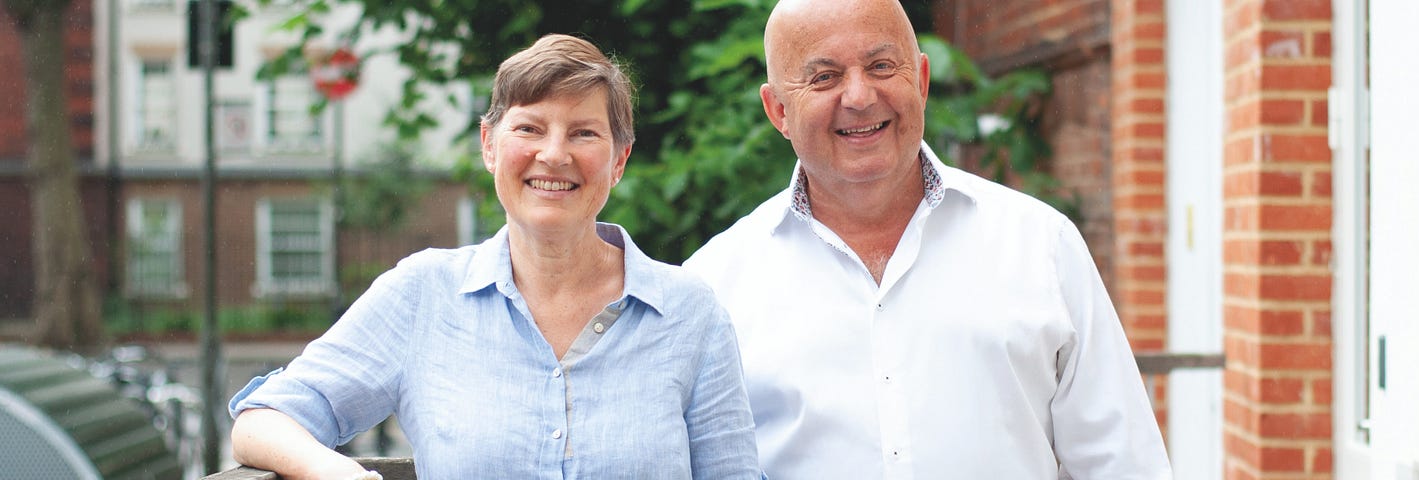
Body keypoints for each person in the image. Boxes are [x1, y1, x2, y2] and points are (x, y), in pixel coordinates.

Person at [228, 34, 761, 480]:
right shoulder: (422, 293)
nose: (554, 154)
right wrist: (344, 475)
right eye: (529, 128)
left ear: (619, 159)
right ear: (489, 145)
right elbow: (263, 420)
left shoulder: (692, 313)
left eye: (584, 133)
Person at [682, 0, 1173, 478]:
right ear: (778, 111)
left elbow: (1123, 462)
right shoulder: (713, 289)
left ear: (920, 79)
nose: (858, 96)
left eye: (880, 65)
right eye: (824, 77)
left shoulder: (1040, 245)